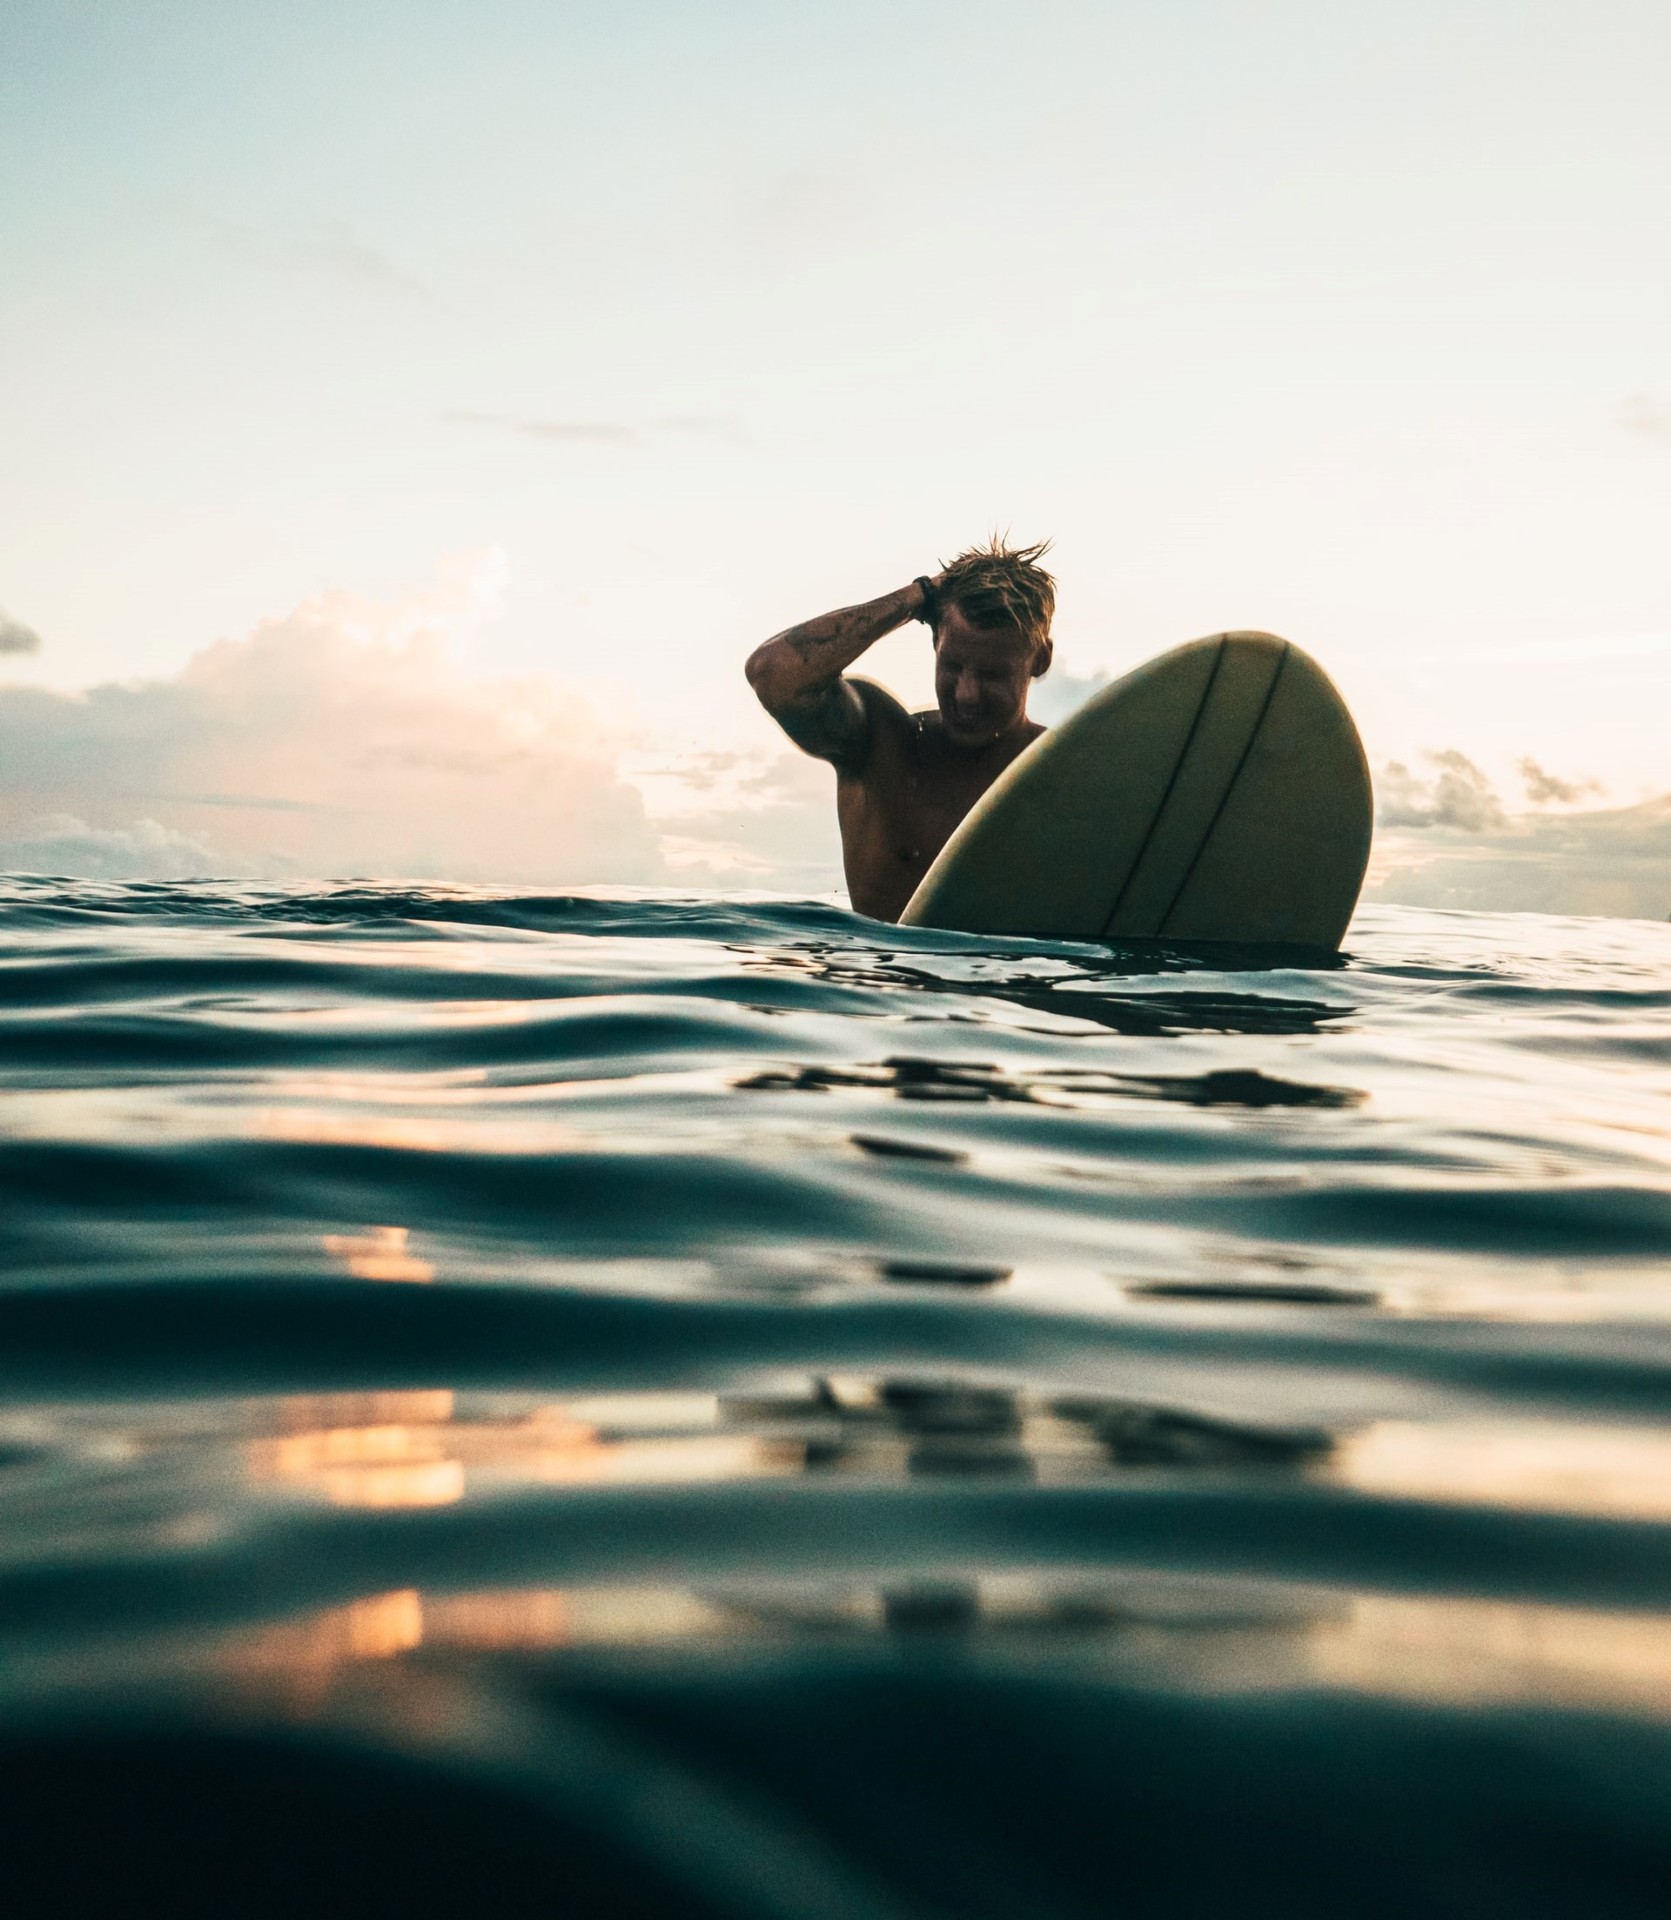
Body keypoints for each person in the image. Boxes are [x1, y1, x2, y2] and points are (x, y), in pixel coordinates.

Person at [745, 537, 1056, 921]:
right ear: (935, 640)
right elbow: (774, 673)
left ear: (1040, 659)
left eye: (991, 674)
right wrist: (920, 595)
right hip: (886, 976)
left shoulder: (1062, 768)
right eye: (953, 666)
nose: (967, 694)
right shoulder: (883, 745)